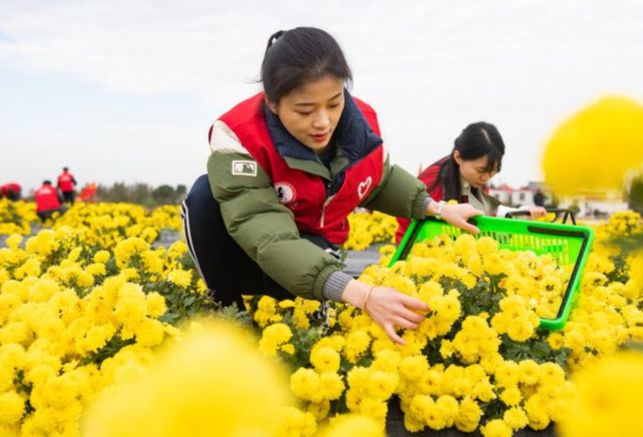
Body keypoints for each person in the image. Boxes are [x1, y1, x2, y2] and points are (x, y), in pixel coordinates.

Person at [181, 27, 484, 345]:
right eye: (305, 110)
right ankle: (230, 319)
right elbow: (265, 234)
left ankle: (314, 304)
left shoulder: (360, 124)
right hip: (248, 253)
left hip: (316, 245)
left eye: (335, 103)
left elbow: (378, 179)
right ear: (272, 102)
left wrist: (438, 209)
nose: (323, 122)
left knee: (311, 319)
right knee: (202, 198)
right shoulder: (238, 136)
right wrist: (363, 295)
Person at [396, 122, 547, 244]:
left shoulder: (474, 182)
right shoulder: (431, 183)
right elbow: (411, 227)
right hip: (416, 251)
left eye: (493, 170)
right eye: (481, 170)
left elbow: (484, 216)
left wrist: (520, 214)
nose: (486, 177)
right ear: (458, 157)